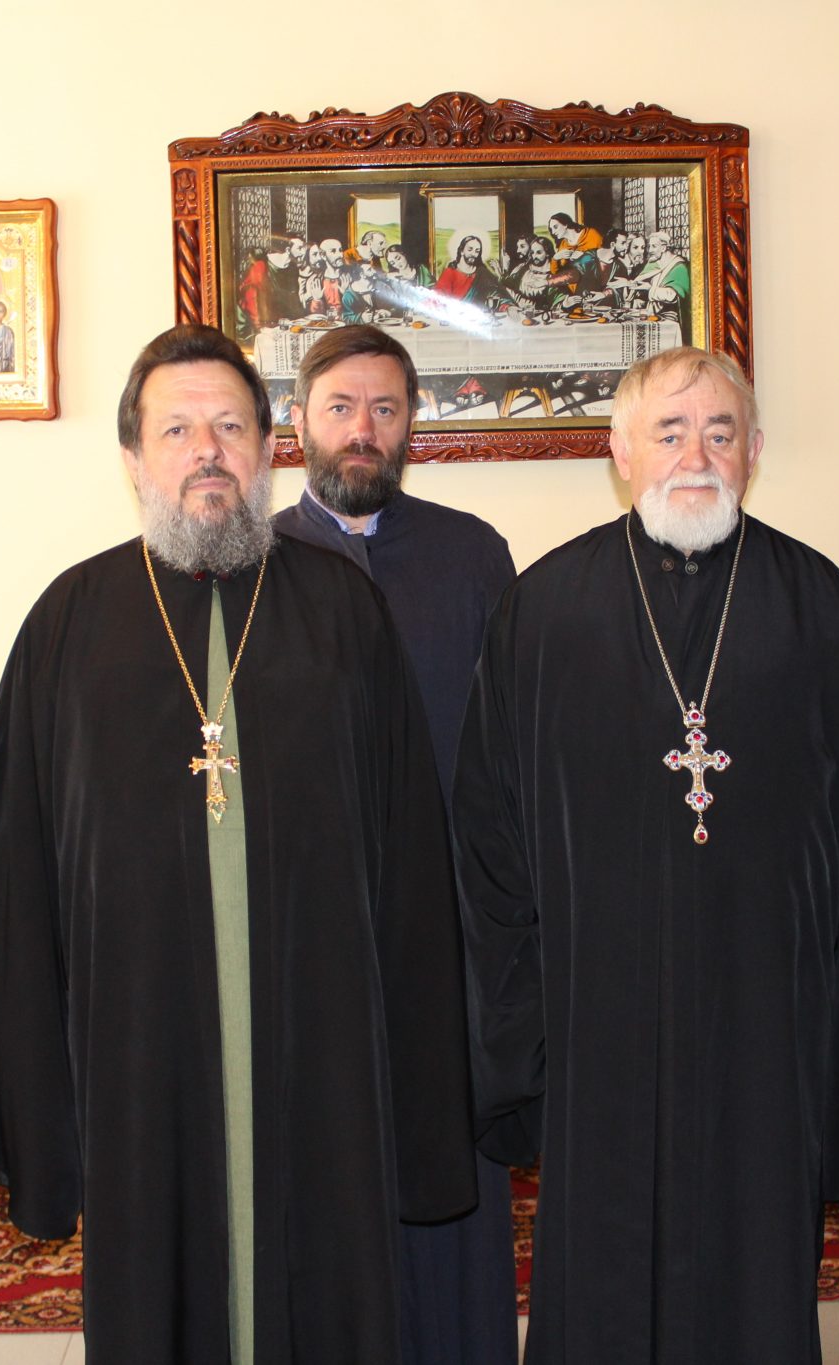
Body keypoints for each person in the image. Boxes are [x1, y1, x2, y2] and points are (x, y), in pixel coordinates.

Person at [0, 323, 477, 1363]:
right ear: (133, 457)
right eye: (177, 430)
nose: (207, 452)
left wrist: (423, 1079)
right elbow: (16, 879)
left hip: (317, 1034)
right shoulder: (69, 623)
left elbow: (407, 856)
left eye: (230, 427)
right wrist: (35, 1099)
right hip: (139, 1043)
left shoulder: (342, 610)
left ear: (268, 447)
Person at [454, 346, 839, 1362]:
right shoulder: (544, 608)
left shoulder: (818, 604)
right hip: (596, 1019)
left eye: (719, 433)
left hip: (767, 1015)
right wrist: (519, 1035)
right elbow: (488, 839)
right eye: (669, 432)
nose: (695, 455)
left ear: (753, 451)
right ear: (620, 452)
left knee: (753, 1260)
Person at [271, 323, 517, 1365]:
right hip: (311, 926)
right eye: (340, 407)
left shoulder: (472, 555)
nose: (362, 430)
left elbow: (512, 743)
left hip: (449, 924)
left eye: (384, 408)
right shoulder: (259, 563)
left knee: (445, 1147)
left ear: (414, 422)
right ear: (298, 423)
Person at [435, 234, 504, 310]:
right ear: (462, 251)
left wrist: (507, 307)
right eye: (470, 249)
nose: (473, 254)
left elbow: (498, 293)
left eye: (477, 251)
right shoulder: (449, 273)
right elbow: (439, 299)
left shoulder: (482, 273)